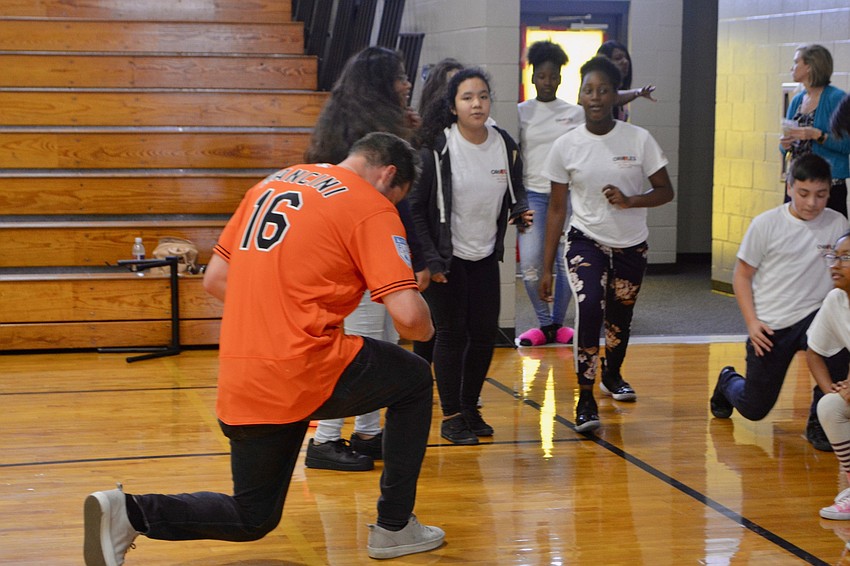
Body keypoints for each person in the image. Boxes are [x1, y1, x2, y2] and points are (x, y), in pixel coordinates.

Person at [83, 133, 445, 564]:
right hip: (306, 364)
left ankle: (130, 511)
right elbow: (409, 320)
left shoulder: (271, 183)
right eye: (398, 197)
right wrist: (425, 315)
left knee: (253, 516)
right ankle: (395, 527)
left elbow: (216, 278)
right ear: (388, 175)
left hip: (245, 372)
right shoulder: (370, 204)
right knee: (415, 379)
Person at [303, 45, 423, 471]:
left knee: (384, 342)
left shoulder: (361, 123)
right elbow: (382, 202)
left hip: (368, 246)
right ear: (379, 84)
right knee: (362, 346)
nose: (406, 84)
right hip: (357, 251)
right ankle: (326, 441)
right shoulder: (369, 138)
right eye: (400, 76)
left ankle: (368, 430)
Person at [540, 56, 674, 433]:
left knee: (620, 318)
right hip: (586, 240)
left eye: (603, 90)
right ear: (580, 96)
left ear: (616, 96)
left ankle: (612, 375)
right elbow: (555, 209)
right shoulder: (566, 146)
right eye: (588, 90)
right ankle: (584, 397)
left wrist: (632, 200)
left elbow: (666, 191)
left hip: (631, 244)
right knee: (589, 309)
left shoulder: (639, 139)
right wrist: (546, 266)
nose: (595, 97)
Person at [409, 67, 533, 444]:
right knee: (451, 334)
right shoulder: (437, 149)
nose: (476, 103)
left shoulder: (504, 143)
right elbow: (415, 207)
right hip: (448, 258)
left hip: (484, 255)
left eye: (482, 96)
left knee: (483, 335)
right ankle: (449, 416)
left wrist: (520, 210)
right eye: (467, 97)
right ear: (452, 106)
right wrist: (431, 260)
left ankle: (468, 407)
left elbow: (517, 190)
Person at [710, 153, 850, 452]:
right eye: (804, 194)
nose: (812, 203)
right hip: (773, 323)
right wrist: (752, 323)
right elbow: (742, 275)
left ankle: (821, 417)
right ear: (789, 187)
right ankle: (727, 382)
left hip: (817, 314)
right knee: (754, 407)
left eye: (821, 195)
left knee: (837, 348)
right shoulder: (766, 224)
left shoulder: (838, 223)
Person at [516, 40, 582, 347]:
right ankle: (544, 325)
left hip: (566, 197)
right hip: (532, 196)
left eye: (553, 75)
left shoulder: (575, 113)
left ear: (559, 78)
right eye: (542, 75)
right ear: (532, 77)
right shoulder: (519, 113)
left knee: (564, 264)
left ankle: (558, 324)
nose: (548, 81)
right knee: (530, 266)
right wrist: (515, 204)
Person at [780, 44, 850, 217]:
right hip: (798, 182)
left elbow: (846, 145)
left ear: (810, 66)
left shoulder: (837, 98)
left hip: (827, 185)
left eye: (796, 62)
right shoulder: (797, 100)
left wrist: (816, 135)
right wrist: (785, 144)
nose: (792, 68)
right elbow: (785, 148)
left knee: (829, 240)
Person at [810, 232, 850, 519]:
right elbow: (814, 352)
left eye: (846, 258)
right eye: (833, 256)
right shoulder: (836, 300)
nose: (835, 264)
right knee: (830, 406)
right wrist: (834, 392)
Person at [596, 40, 655, 122]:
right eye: (618, 58)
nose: (625, 61)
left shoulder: (621, 91)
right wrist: (637, 92)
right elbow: (613, 97)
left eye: (626, 58)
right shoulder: (598, 89)